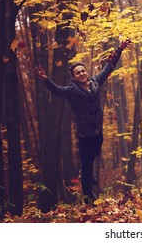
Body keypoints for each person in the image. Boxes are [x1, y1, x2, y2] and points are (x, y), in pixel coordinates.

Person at [35, 39, 131, 204]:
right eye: (77, 73)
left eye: (82, 71)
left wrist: (119, 49)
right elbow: (57, 90)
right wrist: (45, 79)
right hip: (85, 134)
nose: (81, 73)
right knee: (87, 166)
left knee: (93, 156)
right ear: (74, 77)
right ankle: (89, 197)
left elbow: (109, 67)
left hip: (98, 131)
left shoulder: (95, 82)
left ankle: (87, 175)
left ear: (86, 72)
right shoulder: (72, 91)